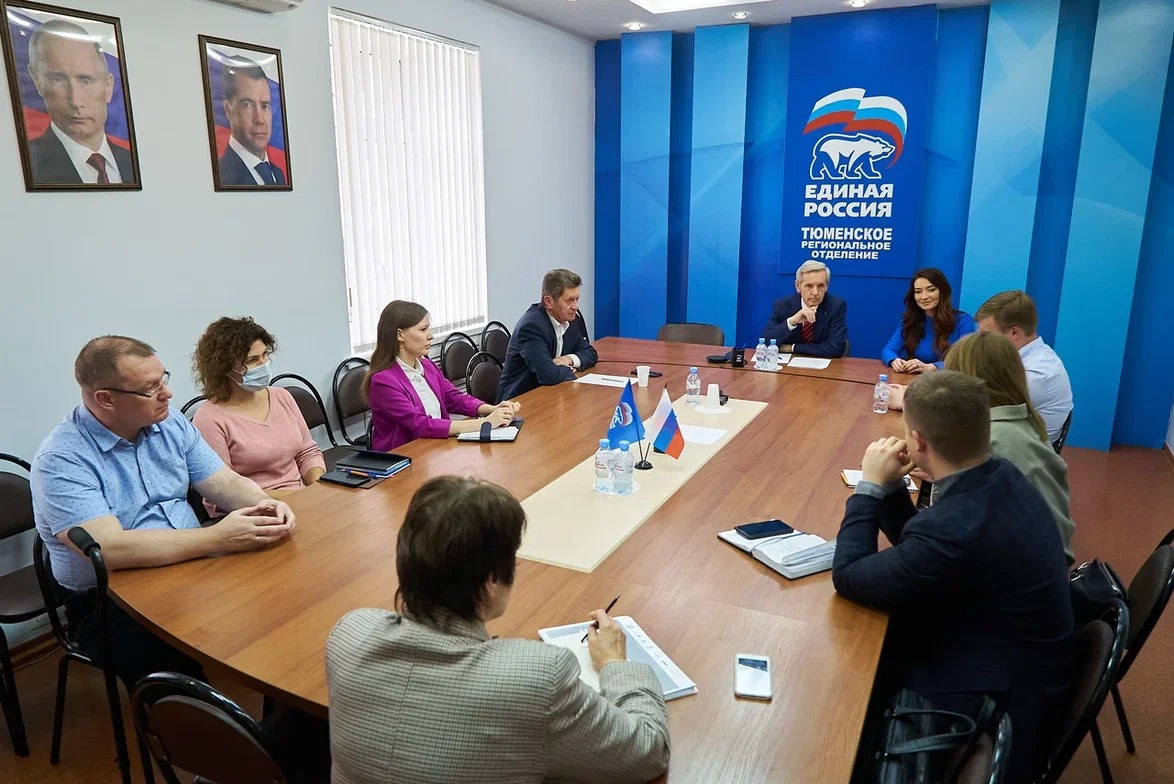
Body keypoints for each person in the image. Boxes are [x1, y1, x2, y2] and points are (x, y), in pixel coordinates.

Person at [326, 475, 670, 784]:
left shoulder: (349, 634)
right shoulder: (537, 679)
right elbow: (648, 752)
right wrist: (614, 663)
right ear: (491, 582)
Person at [832, 372, 1074, 782]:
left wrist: (869, 487)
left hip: (1000, 696)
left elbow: (849, 575)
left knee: (854, 670)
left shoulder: (955, 528)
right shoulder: (1001, 474)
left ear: (918, 441)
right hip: (1021, 655)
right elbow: (923, 550)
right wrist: (893, 488)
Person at [30, 336, 295, 687]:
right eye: (150, 388)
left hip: (190, 566)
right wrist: (217, 537)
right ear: (105, 399)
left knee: (285, 610)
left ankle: (285, 703)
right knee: (179, 679)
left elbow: (223, 482)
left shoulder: (169, 424)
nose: (167, 394)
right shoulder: (61, 459)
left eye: (163, 379)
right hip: (109, 601)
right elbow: (110, 549)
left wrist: (263, 501)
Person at [942, 331, 1076, 563]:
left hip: (1015, 572)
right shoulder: (1022, 421)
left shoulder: (990, 439)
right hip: (1042, 563)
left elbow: (946, 533)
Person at [191, 317, 325, 516]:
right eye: (252, 360)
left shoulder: (282, 397)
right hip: (256, 513)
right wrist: (289, 501)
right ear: (225, 368)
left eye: (265, 355)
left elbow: (307, 452)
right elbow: (222, 492)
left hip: (302, 501)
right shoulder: (209, 419)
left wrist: (318, 490)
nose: (264, 364)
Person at [365, 301, 521, 452]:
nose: (430, 336)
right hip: (407, 457)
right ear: (400, 335)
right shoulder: (382, 381)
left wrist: (492, 409)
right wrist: (484, 423)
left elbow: (453, 398)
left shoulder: (427, 365)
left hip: (437, 447)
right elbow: (421, 424)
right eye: (423, 329)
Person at [25, 20, 134, 185]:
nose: (75, 101)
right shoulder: (29, 164)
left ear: (108, 86)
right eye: (58, 79)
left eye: (85, 80)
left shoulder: (133, 163)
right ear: (38, 83)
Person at [975, 290, 1073, 443]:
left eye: (986, 334)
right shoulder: (1019, 356)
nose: (979, 340)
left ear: (1014, 333)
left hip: (1018, 452)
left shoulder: (1036, 375)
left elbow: (979, 411)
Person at [497, 269, 598, 401]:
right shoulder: (531, 327)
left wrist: (568, 359)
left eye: (577, 299)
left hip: (552, 394)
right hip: (519, 401)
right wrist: (568, 370)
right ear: (549, 301)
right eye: (569, 300)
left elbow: (591, 353)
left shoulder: (568, 321)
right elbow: (548, 375)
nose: (576, 306)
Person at [880, 268, 975, 373]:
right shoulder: (910, 320)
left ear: (942, 292)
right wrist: (894, 360)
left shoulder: (963, 321)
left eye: (931, 290)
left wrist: (933, 367)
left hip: (950, 379)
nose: (924, 297)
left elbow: (966, 359)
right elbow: (889, 350)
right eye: (918, 292)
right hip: (916, 379)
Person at [218, 58, 285, 186]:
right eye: (247, 105)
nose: (259, 120)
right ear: (227, 108)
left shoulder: (278, 175)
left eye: (265, 106)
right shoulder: (224, 177)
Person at [761, 260, 849, 357]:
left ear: (827, 287)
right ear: (798, 286)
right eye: (809, 286)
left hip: (824, 364)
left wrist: (792, 348)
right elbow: (765, 343)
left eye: (820, 286)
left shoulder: (835, 306)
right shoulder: (783, 305)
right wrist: (792, 322)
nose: (815, 292)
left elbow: (836, 348)